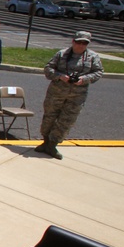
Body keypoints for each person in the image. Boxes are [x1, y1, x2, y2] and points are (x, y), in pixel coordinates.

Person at [36, 31, 104, 160]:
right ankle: (45, 141)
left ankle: (53, 144)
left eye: (84, 43)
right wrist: (60, 76)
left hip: (77, 96)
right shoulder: (62, 54)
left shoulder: (92, 57)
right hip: (56, 92)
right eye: (78, 42)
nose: (81, 45)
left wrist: (84, 79)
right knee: (49, 117)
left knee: (67, 121)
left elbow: (98, 72)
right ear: (73, 41)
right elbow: (48, 69)